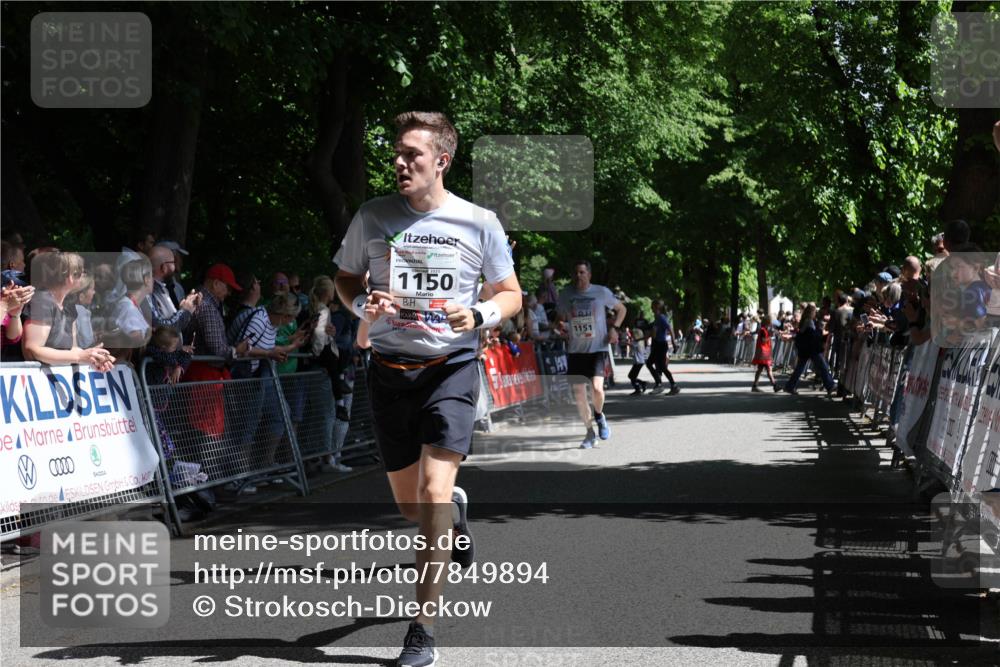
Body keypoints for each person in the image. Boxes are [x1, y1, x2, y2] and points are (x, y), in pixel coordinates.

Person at [334, 111, 521, 667]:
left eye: (411, 154)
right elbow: (345, 279)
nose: (399, 162)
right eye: (396, 153)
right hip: (389, 371)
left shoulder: (478, 222)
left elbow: (510, 292)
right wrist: (362, 304)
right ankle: (454, 517)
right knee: (413, 508)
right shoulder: (372, 216)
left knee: (434, 494)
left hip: (451, 367)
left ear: (441, 160)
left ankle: (422, 631)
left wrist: (479, 313)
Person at [556, 259, 626, 449]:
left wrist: (615, 328)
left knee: (597, 389)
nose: (578, 276)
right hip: (576, 351)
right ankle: (589, 432)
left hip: (598, 348)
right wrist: (561, 325)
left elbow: (621, 309)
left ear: (589, 274)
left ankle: (599, 416)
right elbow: (560, 317)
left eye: (582, 272)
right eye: (576, 273)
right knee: (579, 395)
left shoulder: (601, 292)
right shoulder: (566, 294)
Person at [21, 252, 114, 371]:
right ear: (69, 277)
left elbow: (72, 350)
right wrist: (80, 356)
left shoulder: (69, 305)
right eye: (80, 273)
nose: (83, 276)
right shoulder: (42, 301)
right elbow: (33, 350)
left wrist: (95, 357)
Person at [782, 304, 837, 396]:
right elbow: (813, 334)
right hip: (811, 349)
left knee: (800, 368)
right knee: (822, 366)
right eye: (814, 311)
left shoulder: (805, 321)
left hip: (805, 348)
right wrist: (822, 331)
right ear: (811, 312)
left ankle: (790, 386)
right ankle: (830, 385)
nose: (816, 313)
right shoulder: (809, 321)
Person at [645, 299, 680, 395]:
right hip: (656, 344)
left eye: (652, 306)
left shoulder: (661, 318)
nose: (651, 308)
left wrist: (673, 343)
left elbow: (670, 329)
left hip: (661, 344)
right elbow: (653, 329)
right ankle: (660, 384)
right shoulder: (657, 318)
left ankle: (671, 386)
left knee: (662, 367)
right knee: (651, 364)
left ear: (657, 307)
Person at [750, 320, 777, 392]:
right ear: (767, 323)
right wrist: (770, 336)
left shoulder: (764, 330)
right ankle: (775, 386)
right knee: (768, 369)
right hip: (764, 353)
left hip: (764, 353)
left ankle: (755, 386)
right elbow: (763, 340)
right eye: (770, 323)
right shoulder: (763, 330)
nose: (771, 325)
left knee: (760, 370)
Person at [628, 327, 649, 396]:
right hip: (638, 362)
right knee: (632, 376)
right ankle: (642, 383)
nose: (632, 336)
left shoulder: (637, 342)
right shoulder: (639, 342)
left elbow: (631, 344)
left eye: (633, 334)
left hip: (638, 362)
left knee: (632, 376)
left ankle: (638, 389)